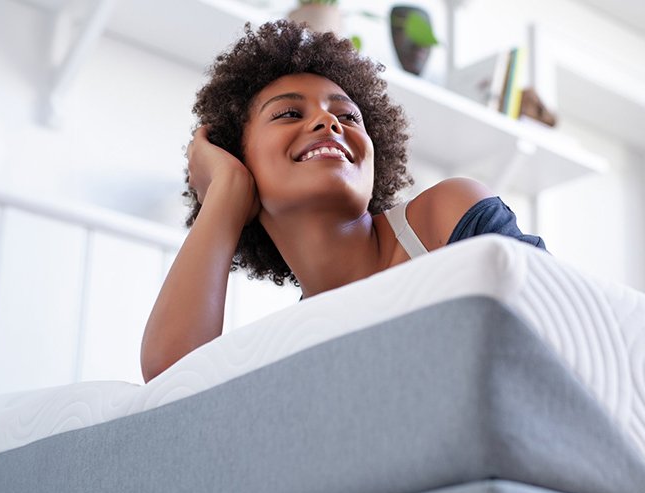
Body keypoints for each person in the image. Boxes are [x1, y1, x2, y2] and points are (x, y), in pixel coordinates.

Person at [141, 20, 546, 383]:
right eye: (288, 113)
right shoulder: (291, 346)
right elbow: (172, 384)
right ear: (241, 160)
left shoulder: (444, 215)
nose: (329, 121)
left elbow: (557, 324)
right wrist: (226, 193)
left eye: (349, 116)